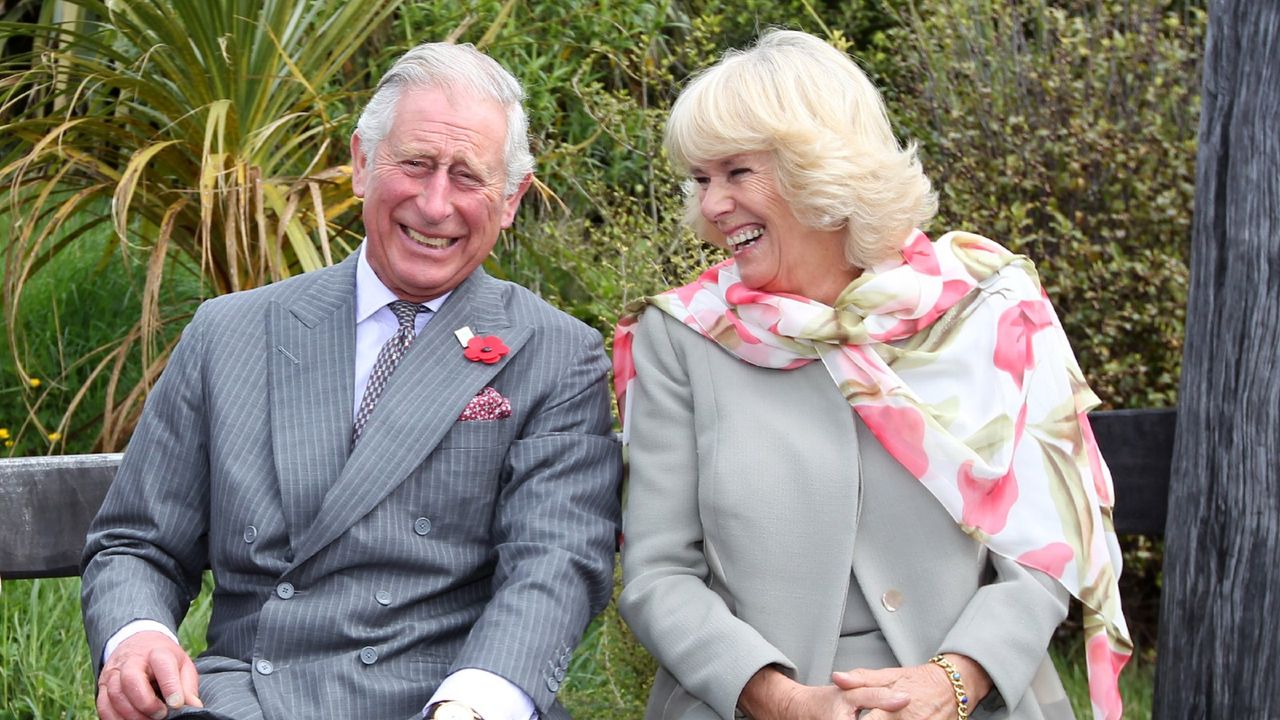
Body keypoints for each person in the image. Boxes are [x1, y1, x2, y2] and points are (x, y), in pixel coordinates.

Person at [81, 41, 622, 720]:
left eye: (467, 177)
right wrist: (138, 639)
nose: (434, 204)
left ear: (511, 199)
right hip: (245, 699)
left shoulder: (555, 355)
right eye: (416, 164)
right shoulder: (230, 333)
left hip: (447, 699)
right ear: (363, 164)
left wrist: (479, 701)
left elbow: (554, 564)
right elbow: (139, 543)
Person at [613, 30, 1131, 720]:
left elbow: (1049, 543)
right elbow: (658, 576)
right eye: (701, 180)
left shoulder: (988, 307)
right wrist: (786, 701)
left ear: (817, 168)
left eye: (737, 173)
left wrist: (952, 682)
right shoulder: (680, 337)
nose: (710, 207)